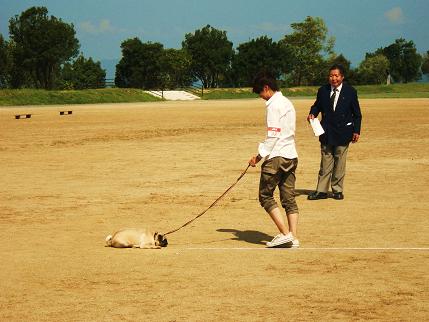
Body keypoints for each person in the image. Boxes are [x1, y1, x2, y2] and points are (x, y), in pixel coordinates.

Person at [249, 73, 299, 248]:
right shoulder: (287, 102)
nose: (261, 97)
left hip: (277, 156)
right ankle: (293, 236)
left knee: (265, 196)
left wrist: (258, 156)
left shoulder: (273, 106)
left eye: (260, 93)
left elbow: (273, 135)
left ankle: (285, 234)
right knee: (289, 198)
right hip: (291, 155)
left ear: (266, 88)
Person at [307, 64, 362, 200]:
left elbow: (357, 114)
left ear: (342, 77)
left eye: (336, 76)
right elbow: (316, 106)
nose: (333, 78)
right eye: (331, 75)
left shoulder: (350, 91)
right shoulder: (323, 90)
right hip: (326, 131)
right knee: (325, 162)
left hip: (344, 132)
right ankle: (321, 191)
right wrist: (312, 114)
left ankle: (337, 190)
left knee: (340, 162)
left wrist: (356, 131)